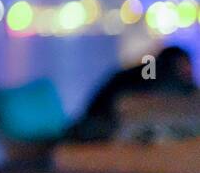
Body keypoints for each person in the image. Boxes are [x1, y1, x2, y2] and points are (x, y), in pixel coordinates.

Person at [62, 45, 197, 143]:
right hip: (101, 125)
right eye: (186, 66)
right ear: (174, 64)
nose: (189, 72)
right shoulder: (154, 78)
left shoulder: (145, 72)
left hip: (93, 124)